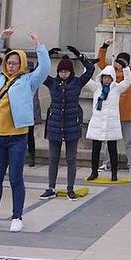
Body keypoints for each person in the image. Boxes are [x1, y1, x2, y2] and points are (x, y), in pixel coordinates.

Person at [0, 27, 50, 233]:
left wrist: (39, 46)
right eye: (9, 62)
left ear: (22, 65)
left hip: (17, 137)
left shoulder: (29, 81)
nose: (11, 66)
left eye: (15, 63)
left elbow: (44, 69)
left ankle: (17, 216)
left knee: (16, 178)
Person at [39, 49, 95, 200]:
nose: (64, 73)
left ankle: (70, 188)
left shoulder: (77, 82)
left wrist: (79, 55)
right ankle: (51, 187)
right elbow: (39, 70)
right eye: (61, 71)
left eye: (66, 71)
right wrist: (46, 55)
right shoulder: (52, 82)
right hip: (55, 124)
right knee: (53, 158)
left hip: (72, 124)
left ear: (70, 72)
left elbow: (90, 69)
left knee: (71, 159)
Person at [96, 37, 131, 174]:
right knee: (109, 140)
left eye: (123, 62)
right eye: (119, 61)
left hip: (127, 112)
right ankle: (106, 163)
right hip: (112, 112)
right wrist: (104, 46)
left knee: (129, 141)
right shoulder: (111, 71)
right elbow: (100, 62)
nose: (120, 64)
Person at [85, 61, 131, 182]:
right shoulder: (96, 88)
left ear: (112, 78)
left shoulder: (116, 89)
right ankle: (94, 172)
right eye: (104, 77)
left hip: (111, 125)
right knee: (95, 150)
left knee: (112, 150)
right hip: (97, 124)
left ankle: (114, 173)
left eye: (108, 77)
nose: (106, 80)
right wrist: (87, 66)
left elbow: (127, 81)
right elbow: (85, 79)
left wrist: (125, 68)